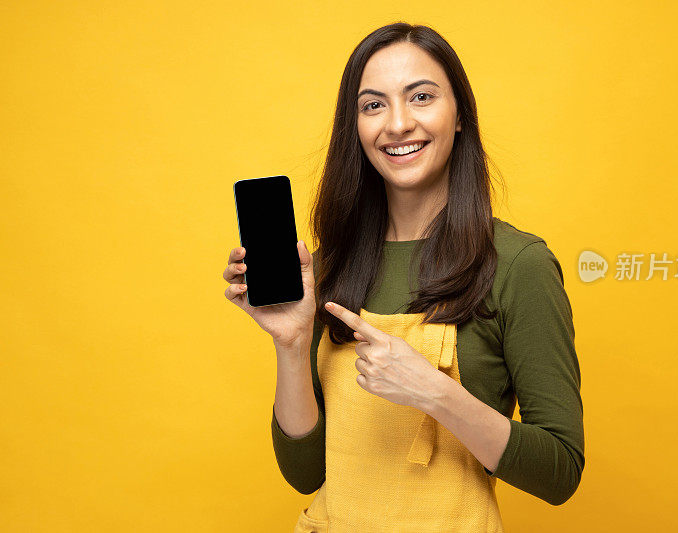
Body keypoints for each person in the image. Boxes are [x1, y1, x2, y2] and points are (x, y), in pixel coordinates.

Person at [223, 22, 584, 532]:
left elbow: (561, 472)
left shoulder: (518, 265)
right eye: (373, 105)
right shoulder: (330, 266)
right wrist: (292, 341)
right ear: (356, 128)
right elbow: (304, 473)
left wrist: (434, 393)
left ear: (459, 115)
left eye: (421, 97)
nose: (397, 123)